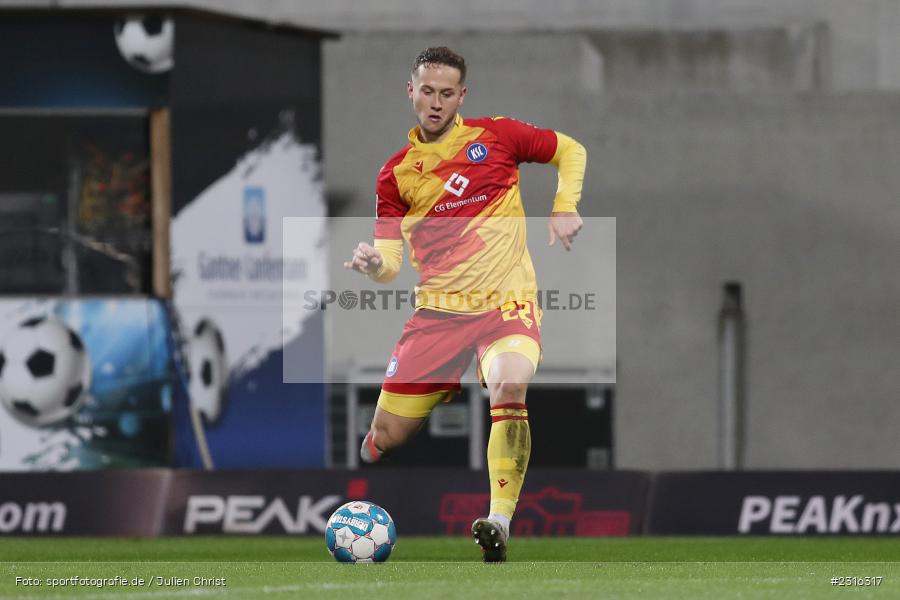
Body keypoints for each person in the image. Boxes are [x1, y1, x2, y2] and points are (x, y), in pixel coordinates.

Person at [343, 46, 586, 562]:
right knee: (385, 437)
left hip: (506, 303)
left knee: (511, 383)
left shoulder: (495, 136)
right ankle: (412, 410)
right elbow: (389, 263)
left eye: (446, 93)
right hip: (438, 316)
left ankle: (498, 521)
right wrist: (372, 265)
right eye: (426, 91)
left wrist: (564, 206)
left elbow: (571, 150)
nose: (435, 102)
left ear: (461, 96)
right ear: (410, 91)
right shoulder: (396, 175)